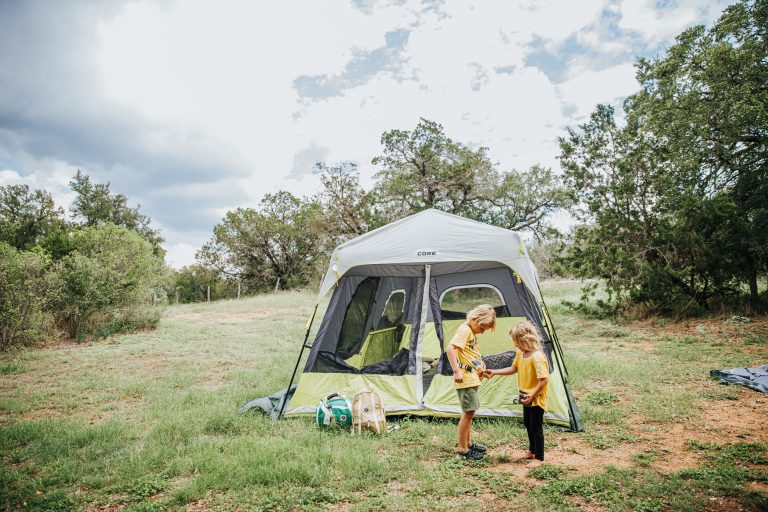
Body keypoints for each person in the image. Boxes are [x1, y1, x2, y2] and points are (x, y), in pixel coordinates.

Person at [485, 320, 550, 462]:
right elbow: (513, 369)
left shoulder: (537, 357)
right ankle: (532, 451)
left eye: (517, 341)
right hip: (525, 395)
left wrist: (532, 394)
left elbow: (544, 380)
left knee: (536, 426)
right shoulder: (521, 354)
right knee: (528, 423)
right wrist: (494, 372)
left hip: (536, 396)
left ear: (526, 340)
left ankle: (539, 458)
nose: (515, 345)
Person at [446, 304, 496, 461]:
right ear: (476, 320)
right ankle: (462, 449)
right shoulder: (465, 330)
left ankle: (468, 443)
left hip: (471, 377)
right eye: (482, 328)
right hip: (465, 379)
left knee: (470, 411)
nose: (483, 331)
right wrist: (456, 371)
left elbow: (469, 354)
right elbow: (450, 348)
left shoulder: (470, 332)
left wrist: (480, 369)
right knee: (468, 413)